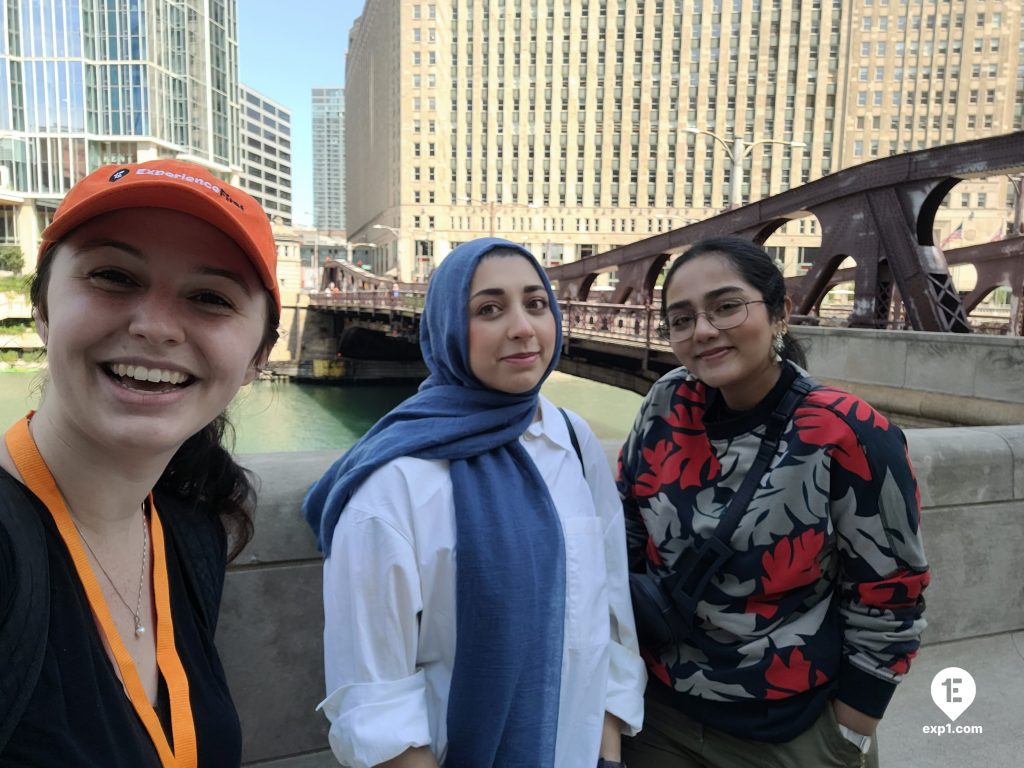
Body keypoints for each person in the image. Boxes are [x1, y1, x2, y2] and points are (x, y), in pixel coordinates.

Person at [304, 237, 645, 768]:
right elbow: (375, 695)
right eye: (489, 309)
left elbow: (608, 615)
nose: (522, 328)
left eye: (536, 304)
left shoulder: (573, 441)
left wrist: (606, 753)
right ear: (446, 328)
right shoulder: (395, 479)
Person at [0, 159, 280, 766]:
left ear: (259, 356)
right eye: (113, 277)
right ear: (43, 309)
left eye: (210, 297)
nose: (154, 327)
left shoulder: (192, 529)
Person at [618, 236, 929, 768]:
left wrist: (848, 734)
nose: (704, 330)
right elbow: (626, 528)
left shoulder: (848, 432)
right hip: (660, 715)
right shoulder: (667, 402)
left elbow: (891, 594)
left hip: (791, 731)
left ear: (780, 310)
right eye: (682, 319)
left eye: (726, 306)